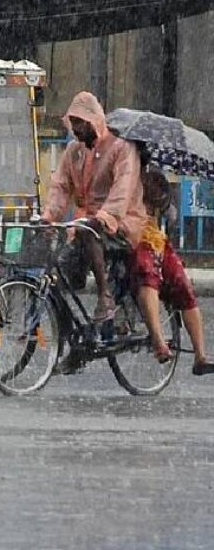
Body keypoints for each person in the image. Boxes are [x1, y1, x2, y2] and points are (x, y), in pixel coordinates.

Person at [41, 91, 147, 322]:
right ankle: (70, 337)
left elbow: (124, 188)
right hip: (85, 224)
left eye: (80, 122)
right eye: (73, 122)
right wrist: (49, 215)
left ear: (94, 121)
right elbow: (60, 186)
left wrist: (106, 216)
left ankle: (104, 296)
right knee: (57, 278)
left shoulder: (121, 148)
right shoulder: (74, 151)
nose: (76, 128)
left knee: (89, 232)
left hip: (123, 223)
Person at [131, 167, 214, 375]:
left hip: (155, 239)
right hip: (131, 237)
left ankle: (200, 356)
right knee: (147, 275)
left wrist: (159, 197)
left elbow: (171, 213)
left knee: (182, 284)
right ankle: (158, 340)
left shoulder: (151, 174)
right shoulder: (120, 169)